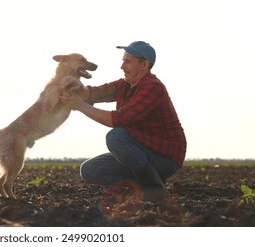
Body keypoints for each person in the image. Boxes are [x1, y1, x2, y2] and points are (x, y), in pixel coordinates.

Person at [59, 41, 186, 204]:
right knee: (89, 170)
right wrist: (77, 86)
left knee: (116, 136)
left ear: (144, 64)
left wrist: (80, 106)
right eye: (123, 60)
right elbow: (93, 94)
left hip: (165, 157)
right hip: (140, 150)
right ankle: (146, 182)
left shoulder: (153, 87)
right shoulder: (123, 85)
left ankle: (155, 189)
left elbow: (118, 119)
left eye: (127, 61)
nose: (122, 66)